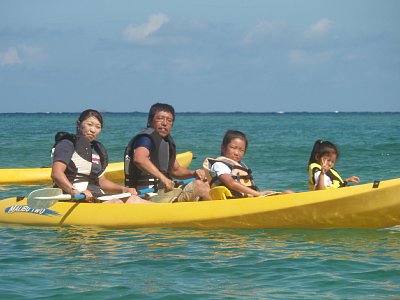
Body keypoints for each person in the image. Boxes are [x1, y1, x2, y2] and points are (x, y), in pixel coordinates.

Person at [51, 109, 150, 204]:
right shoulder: (67, 144)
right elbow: (56, 173)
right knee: (116, 203)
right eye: (89, 125)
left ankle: (163, 213)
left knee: (133, 199)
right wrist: (74, 191)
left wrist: (123, 189)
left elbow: (101, 181)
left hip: (95, 194)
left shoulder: (97, 149)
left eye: (98, 127)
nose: (93, 130)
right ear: (78, 124)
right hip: (74, 197)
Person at [124, 103, 211, 202]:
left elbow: (175, 170)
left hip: (163, 192)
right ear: (150, 121)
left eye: (169, 120)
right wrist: (163, 178)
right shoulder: (145, 139)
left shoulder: (166, 141)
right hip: (145, 196)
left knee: (205, 183)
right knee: (199, 187)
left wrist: (194, 174)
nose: (165, 123)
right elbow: (139, 159)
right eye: (160, 118)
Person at [203, 129, 293, 198]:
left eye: (241, 150)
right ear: (223, 147)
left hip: (249, 199)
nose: (237, 153)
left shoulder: (239, 165)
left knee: (289, 193)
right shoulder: (220, 165)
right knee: (287, 194)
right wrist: (258, 194)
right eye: (233, 147)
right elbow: (231, 183)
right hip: (236, 202)